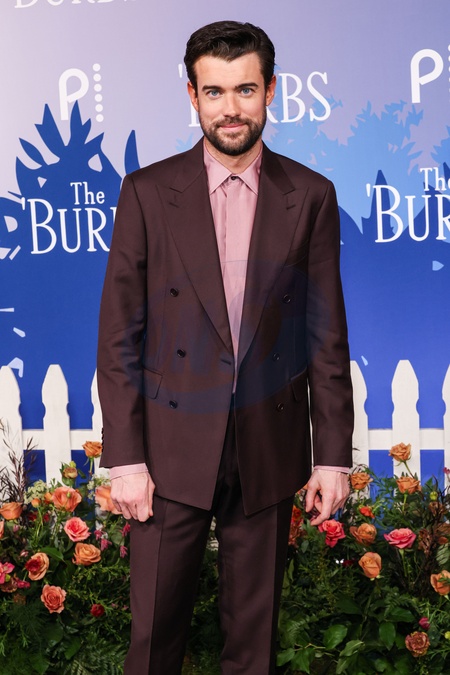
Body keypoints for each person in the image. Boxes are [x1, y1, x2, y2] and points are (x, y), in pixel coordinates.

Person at [97, 20, 354, 675]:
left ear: (271, 90)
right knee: (153, 642)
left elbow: (326, 335)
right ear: (193, 95)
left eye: (245, 90)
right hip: (168, 449)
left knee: (253, 648)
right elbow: (118, 336)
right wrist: (125, 459)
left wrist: (333, 457)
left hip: (268, 445)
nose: (230, 108)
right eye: (214, 91)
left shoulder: (311, 196)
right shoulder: (146, 193)